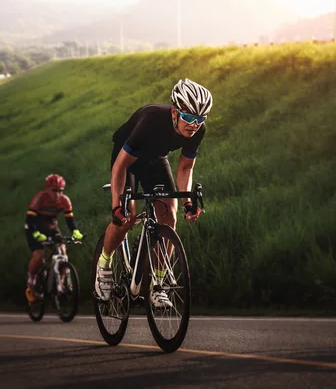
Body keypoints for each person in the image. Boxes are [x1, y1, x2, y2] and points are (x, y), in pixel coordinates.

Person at [95, 78, 213, 307]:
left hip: (155, 159)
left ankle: (158, 285)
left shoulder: (198, 129)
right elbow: (120, 167)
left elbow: (185, 167)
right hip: (128, 157)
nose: (194, 124)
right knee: (126, 217)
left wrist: (188, 203)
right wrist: (115, 206)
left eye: (200, 119)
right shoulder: (151, 120)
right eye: (189, 117)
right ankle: (104, 265)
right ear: (174, 113)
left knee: (169, 214)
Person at [25, 173, 84, 302]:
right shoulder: (39, 198)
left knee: (63, 253)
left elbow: (70, 220)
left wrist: (75, 232)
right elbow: (30, 220)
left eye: (60, 191)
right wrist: (35, 234)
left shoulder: (64, 200)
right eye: (54, 190)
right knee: (39, 256)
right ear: (47, 189)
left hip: (51, 227)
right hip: (34, 227)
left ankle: (60, 283)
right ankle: (31, 281)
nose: (57, 194)